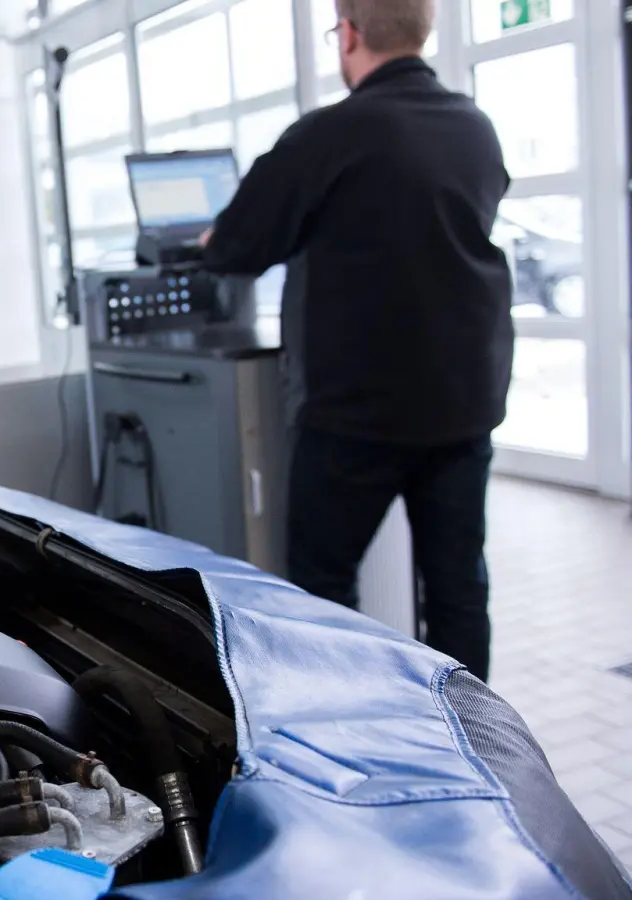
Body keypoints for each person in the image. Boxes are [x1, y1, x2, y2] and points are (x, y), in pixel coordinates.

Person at [200, 0, 513, 680]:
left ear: (349, 34)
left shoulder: (330, 134)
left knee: (324, 585)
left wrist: (209, 243)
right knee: (458, 587)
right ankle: (474, 743)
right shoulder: (476, 128)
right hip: (463, 405)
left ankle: (349, 736)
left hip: (357, 415)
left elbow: (241, 244)